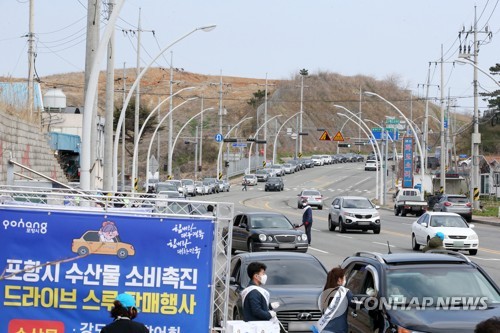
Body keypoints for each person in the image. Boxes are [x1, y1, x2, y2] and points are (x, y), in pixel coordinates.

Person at [313, 267, 354, 333]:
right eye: (344, 278)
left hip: (323, 329)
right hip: (337, 330)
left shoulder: (324, 292)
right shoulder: (344, 292)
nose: (345, 280)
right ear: (339, 280)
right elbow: (355, 303)